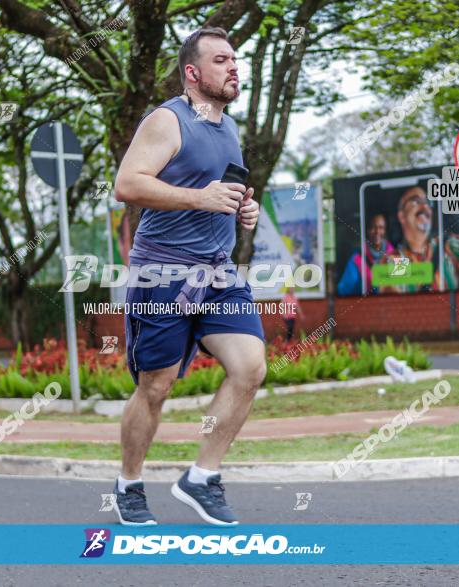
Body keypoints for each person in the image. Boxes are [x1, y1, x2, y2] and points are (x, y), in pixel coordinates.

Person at [112, 27, 265, 526]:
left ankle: (201, 477)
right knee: (155, 387)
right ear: (193, 73)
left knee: (249, 368)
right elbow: (127, 184)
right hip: (164, 274)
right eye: (221, 61)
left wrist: (244, 209)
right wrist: (200, 198)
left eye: (235, 60)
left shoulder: (230, 127)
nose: (234, 68)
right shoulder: (166, 120)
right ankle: (129, 485)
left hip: (219, 274)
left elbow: (219, 190)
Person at [387, 186, 458, 293]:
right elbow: (396, 301)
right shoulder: (397, 259)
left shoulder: (448, 245)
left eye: (427, 202)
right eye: (416, 201)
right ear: (402, 216)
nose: (424, 206)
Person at [336, 213, 394, 295]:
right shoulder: (357, 259)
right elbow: (343, 290)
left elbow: (406, 285)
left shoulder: (395, 254)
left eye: (381, 228)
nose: (377, 231)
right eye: (373, 227)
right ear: (367, 230)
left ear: (385, 231)